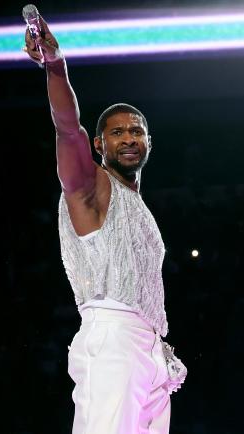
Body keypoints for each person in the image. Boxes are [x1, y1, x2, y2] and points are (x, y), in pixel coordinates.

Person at [24, 14, 185, 434]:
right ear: (99, 144)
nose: (130, 138)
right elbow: (66, 128)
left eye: (137, 131)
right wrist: (56, 66)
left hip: (150, 349)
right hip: (112, 337)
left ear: (150, 141)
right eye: (117, 133)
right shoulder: (88, 186)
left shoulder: (138, 204)